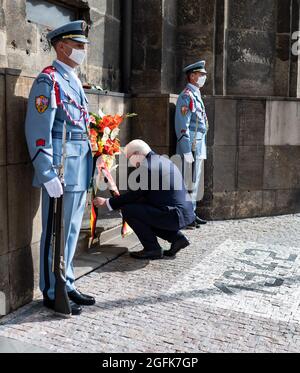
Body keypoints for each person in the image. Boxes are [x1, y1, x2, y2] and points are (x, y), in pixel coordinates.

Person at [25, 21, 95, 315]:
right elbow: (38, 129)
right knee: (55, 231)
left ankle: (66, 281)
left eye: (82, 47)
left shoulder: (73, 80)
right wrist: (46, 172)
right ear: (62, 47)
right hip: (61, 167)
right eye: (78, 46)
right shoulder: (48, 80)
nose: (82, 51)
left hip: (79, 164)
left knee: (72, 229)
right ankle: (52, 290)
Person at [94, 140, 195, 260]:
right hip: (183, 213)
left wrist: (107, 202)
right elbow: (144, 195)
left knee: (130, 211)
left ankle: (152, 249)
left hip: (174, 214)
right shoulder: (161, 160)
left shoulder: (148, 167)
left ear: (137, 153)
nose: (130, 163)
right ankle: (177, 239)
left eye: (129, 158)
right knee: (142, 212)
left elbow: (136, 194)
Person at [175, 60, 209, 229]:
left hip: (200, 143)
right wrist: (186, 150)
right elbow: (182, 126)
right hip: (192, 144)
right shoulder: (186, 95)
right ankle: (186, 216)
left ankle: (192, 214)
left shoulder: (195, 94)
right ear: (192, 76)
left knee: (194, 182)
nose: (204, 77)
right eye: (201, 74)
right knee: (188, 181)